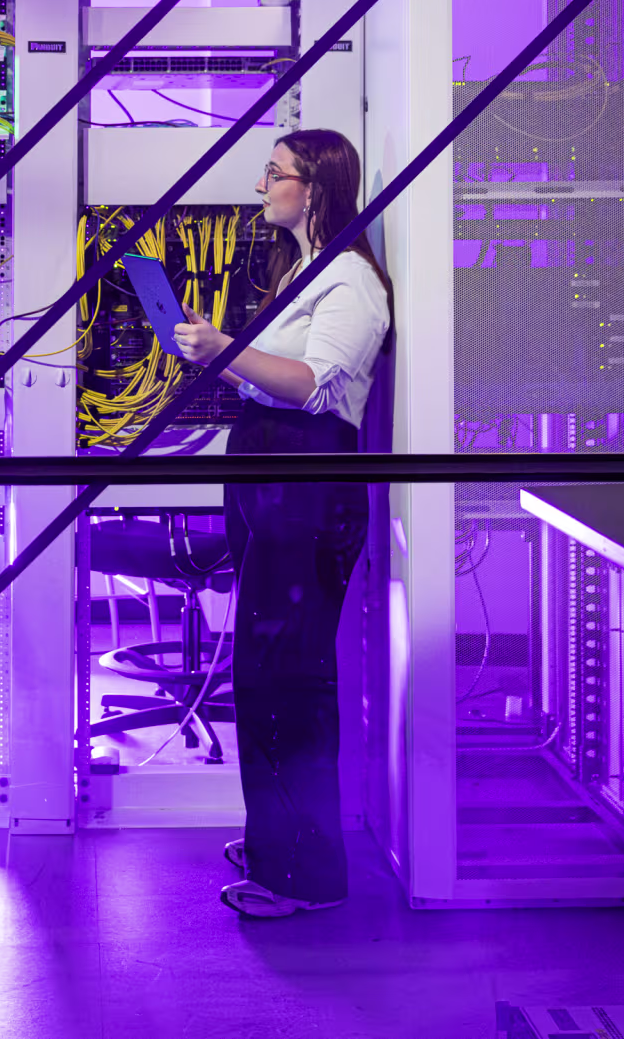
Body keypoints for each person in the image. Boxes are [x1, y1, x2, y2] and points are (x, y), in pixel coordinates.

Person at [171, 128, 393, 918]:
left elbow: (313, 385)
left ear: (317, 188)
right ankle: (275, 842)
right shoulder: (306, 269)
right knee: (263, 673)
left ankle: (307, 874)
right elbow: (272, 378)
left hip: (306, 487)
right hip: (273, 484)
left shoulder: (355, 283)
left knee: (290, 679)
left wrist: (226, 347)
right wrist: (218, 353)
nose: (264, 183)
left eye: (277, 173)